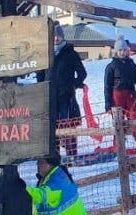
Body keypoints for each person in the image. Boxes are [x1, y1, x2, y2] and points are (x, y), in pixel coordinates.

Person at [104, 37, 136, 153]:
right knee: (119, 123)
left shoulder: (132, 64)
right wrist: (108, 104)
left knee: (135, 120)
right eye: (120, 50)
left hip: (130, 96)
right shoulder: (111, 66)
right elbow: (107, 86)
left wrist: (135, 93)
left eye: (124, 50)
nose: (122, 53)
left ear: (127, 51)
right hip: (116, 96)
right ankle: (118, 147)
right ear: (116, 51)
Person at [50, 25, 88, 159]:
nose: (56, 38)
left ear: (62, 36)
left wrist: (74, 84)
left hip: (66, 96)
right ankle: (54, 157)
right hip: (50, 96)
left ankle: (71, 154)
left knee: (68, 125)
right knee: (52, 127)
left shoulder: (70, 52)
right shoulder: (47, 53)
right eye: (53, 35)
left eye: (58, 35)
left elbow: (82, 73)